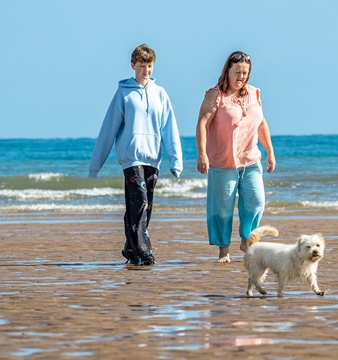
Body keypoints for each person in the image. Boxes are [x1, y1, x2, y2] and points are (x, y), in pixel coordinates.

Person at [89, 44, 183, 265]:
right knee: (139, 201)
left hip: (153, 158)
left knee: (144, 204)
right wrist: (96, 165)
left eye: (149, 66)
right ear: (133, 65)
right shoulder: (123, 94)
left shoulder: (160, 94)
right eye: (142, 66)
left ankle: (130, 248)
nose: (146, 71)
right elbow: (108, 130)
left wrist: (175, 160)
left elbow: (170, 128)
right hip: (131, 158)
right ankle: (143, 249)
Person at [196, 50, 276, 264]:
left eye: (245, 73)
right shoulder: (216, 95)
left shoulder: (254, 93)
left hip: (251, 161)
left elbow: (261, 123)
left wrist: (270, 152)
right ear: (227, 71)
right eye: (237, 72)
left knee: (257, 200)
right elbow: (202, 123)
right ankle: (224, 252)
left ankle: (246, 238)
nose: (241, 77)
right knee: (222, 208)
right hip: (223, 163)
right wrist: (202, 154)